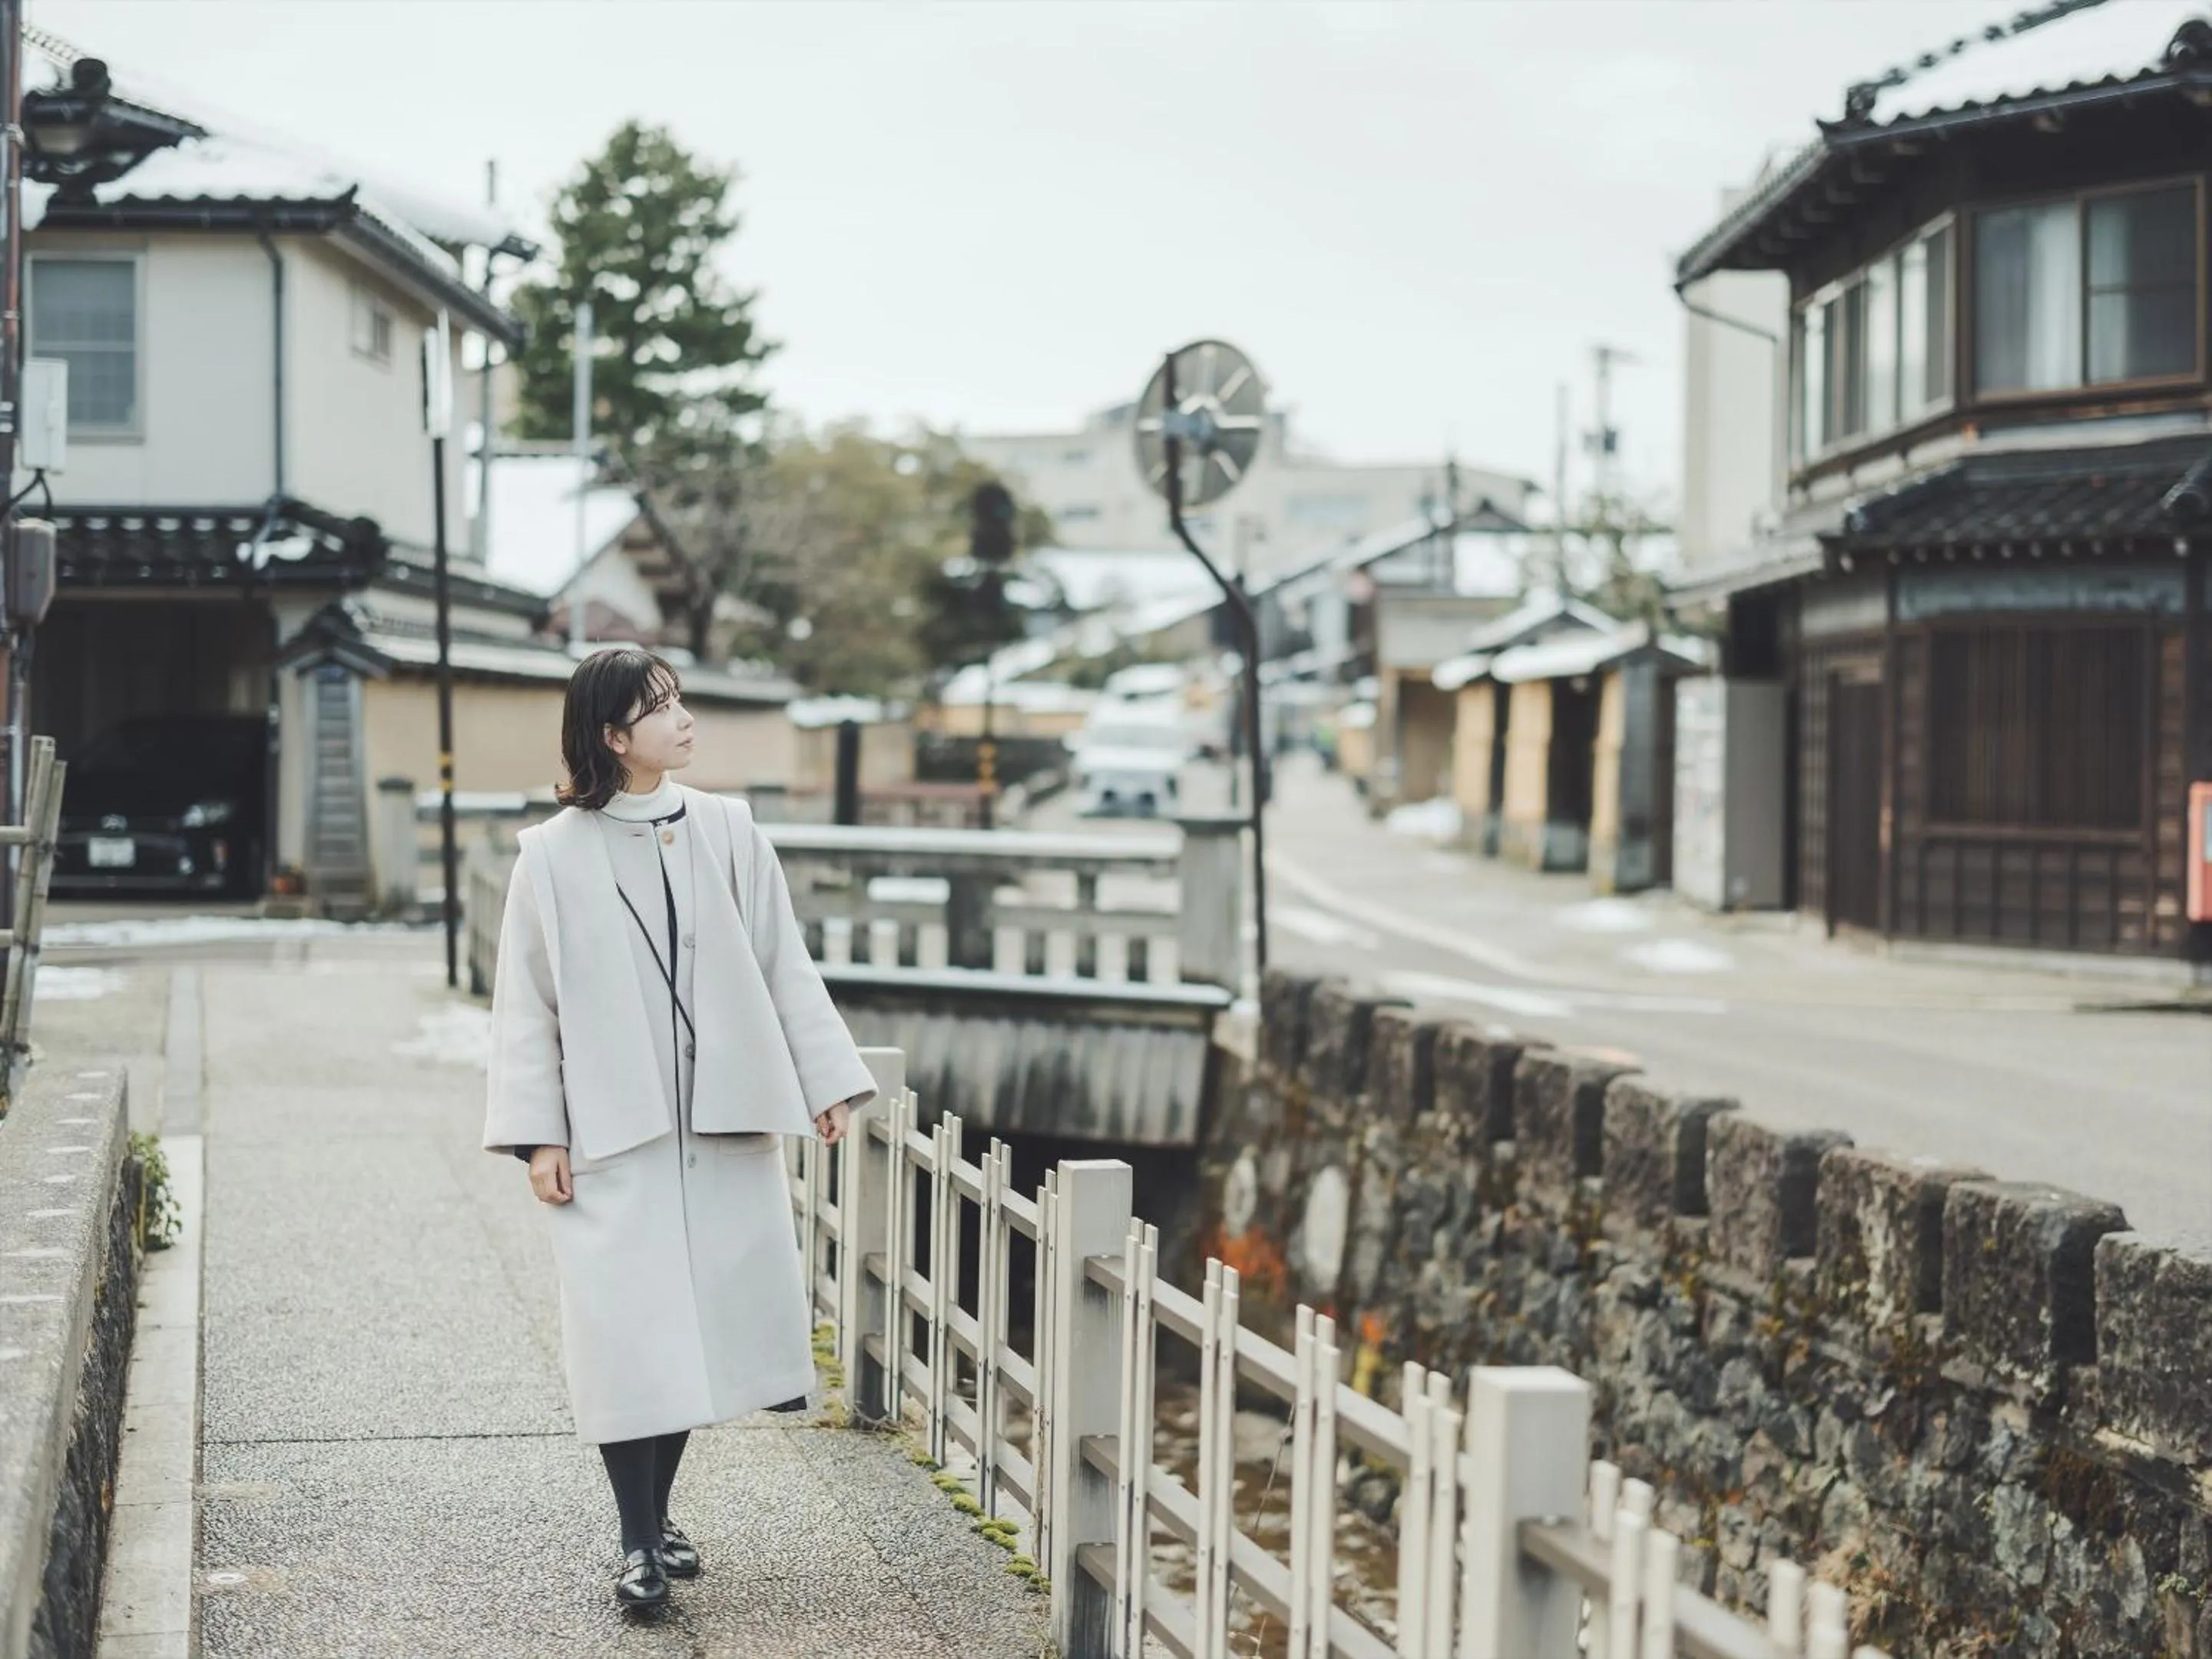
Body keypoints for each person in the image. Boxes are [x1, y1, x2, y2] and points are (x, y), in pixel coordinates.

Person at [482, 647, 878, 1611]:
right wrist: (541, 1137)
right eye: (661, 709)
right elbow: (525, 1009)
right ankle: (637, 1544)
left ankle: (656, 1520)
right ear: (613, 738)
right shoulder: (551, 857)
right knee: (628, 1335)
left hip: (723, 1124)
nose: (686, 720)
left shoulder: (731, 831)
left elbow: (785, 963)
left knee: (692, 1333)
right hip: (614, 1134)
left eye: (681, 701)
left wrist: (823, 1079)